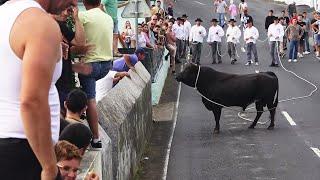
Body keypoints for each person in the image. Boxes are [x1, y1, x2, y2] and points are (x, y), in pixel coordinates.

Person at [0, 0, 77, 179]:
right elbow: (32, 101)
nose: (74, 3)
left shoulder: (6, 14)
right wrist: (49, 167)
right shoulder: (41, 24)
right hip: (24, 150)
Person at [78, 0, 114, 148]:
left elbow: (76, 40)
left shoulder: (82, 16)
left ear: (84, 2)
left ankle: (96, 138)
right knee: (88, 93)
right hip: (106, 65)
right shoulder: (108, 17)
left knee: (90, 99)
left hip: (90, 64)